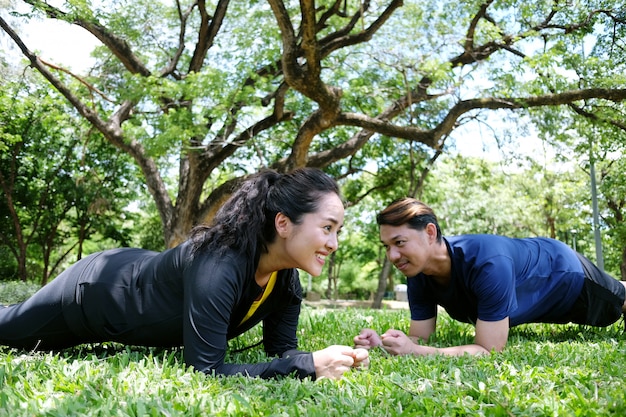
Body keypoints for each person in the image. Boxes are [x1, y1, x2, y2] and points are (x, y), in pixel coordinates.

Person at [0, 167, 368, 379]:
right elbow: (205, 370)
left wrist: (331, 359)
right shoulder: (219, 265)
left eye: (338, 231)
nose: (334, 243)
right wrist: (305, 366)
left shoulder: (286, 281)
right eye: (327, 228)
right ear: (284, 223)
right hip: (94, 292)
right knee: (8, 330)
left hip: (137, 268)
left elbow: (281, 351)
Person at [354, 197, 626, 356]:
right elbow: (420, 339)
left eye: (399, 243)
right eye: (387, 247)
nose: (392, 256)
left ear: (430, 233)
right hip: (538, 296)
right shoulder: (418, 273)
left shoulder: (487, 262)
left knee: (618, 303)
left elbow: (489, 349)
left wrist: (421, 354)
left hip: (565, 276)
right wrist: (384, 344)